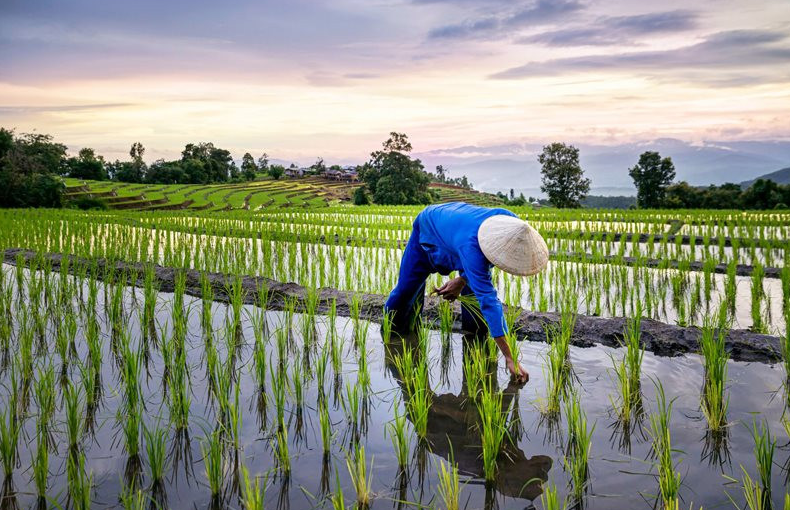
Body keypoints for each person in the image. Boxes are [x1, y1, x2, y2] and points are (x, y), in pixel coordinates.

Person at [384, 201, 549, 383]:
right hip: (429, 226)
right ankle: (393, 334)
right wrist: (511, 358)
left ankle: (475, 337)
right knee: (406, 291)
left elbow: (488, 258)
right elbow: (489, 301)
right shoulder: (471, 248)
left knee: (474, 295)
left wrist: (462, 280)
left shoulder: (511, 224)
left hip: (458, 231)